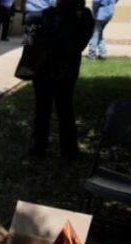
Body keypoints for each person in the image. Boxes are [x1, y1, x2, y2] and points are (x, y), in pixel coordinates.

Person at [30, 0, 93, 158]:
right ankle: (68, 150)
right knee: (64, 109)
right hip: (66, 69)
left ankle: (40, 147)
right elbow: (81, 43)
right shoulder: (83, 16)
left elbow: (31, 40)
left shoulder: (48, 14)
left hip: (46, 68)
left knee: (44, 109)